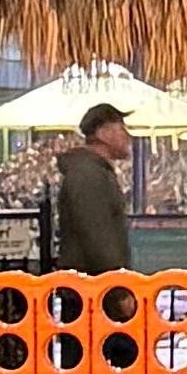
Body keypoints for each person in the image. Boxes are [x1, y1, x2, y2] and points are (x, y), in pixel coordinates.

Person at [50, 101, 136, 274]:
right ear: (104, 134)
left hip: (94, 281)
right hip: (92, 284)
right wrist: (116, 282)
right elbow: (97, 234)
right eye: (121, 128)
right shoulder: (89, 174)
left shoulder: (93, 171)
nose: (128, 136)